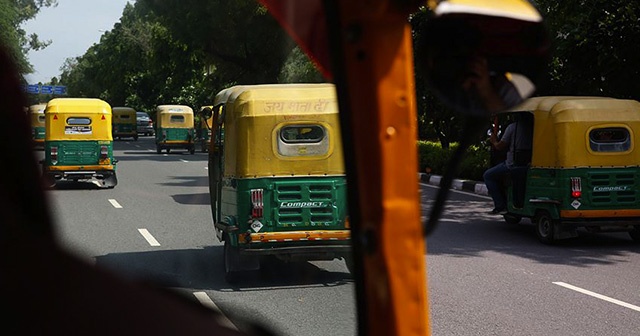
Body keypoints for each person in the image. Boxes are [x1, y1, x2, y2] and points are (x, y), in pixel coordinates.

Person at [483, 113, 533, 214]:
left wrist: (493, 141)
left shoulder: (512, 127)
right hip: (529, 164)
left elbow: (500, 146)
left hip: (512, 164)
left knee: (488, 175)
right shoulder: (535, 127)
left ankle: (500, 205)